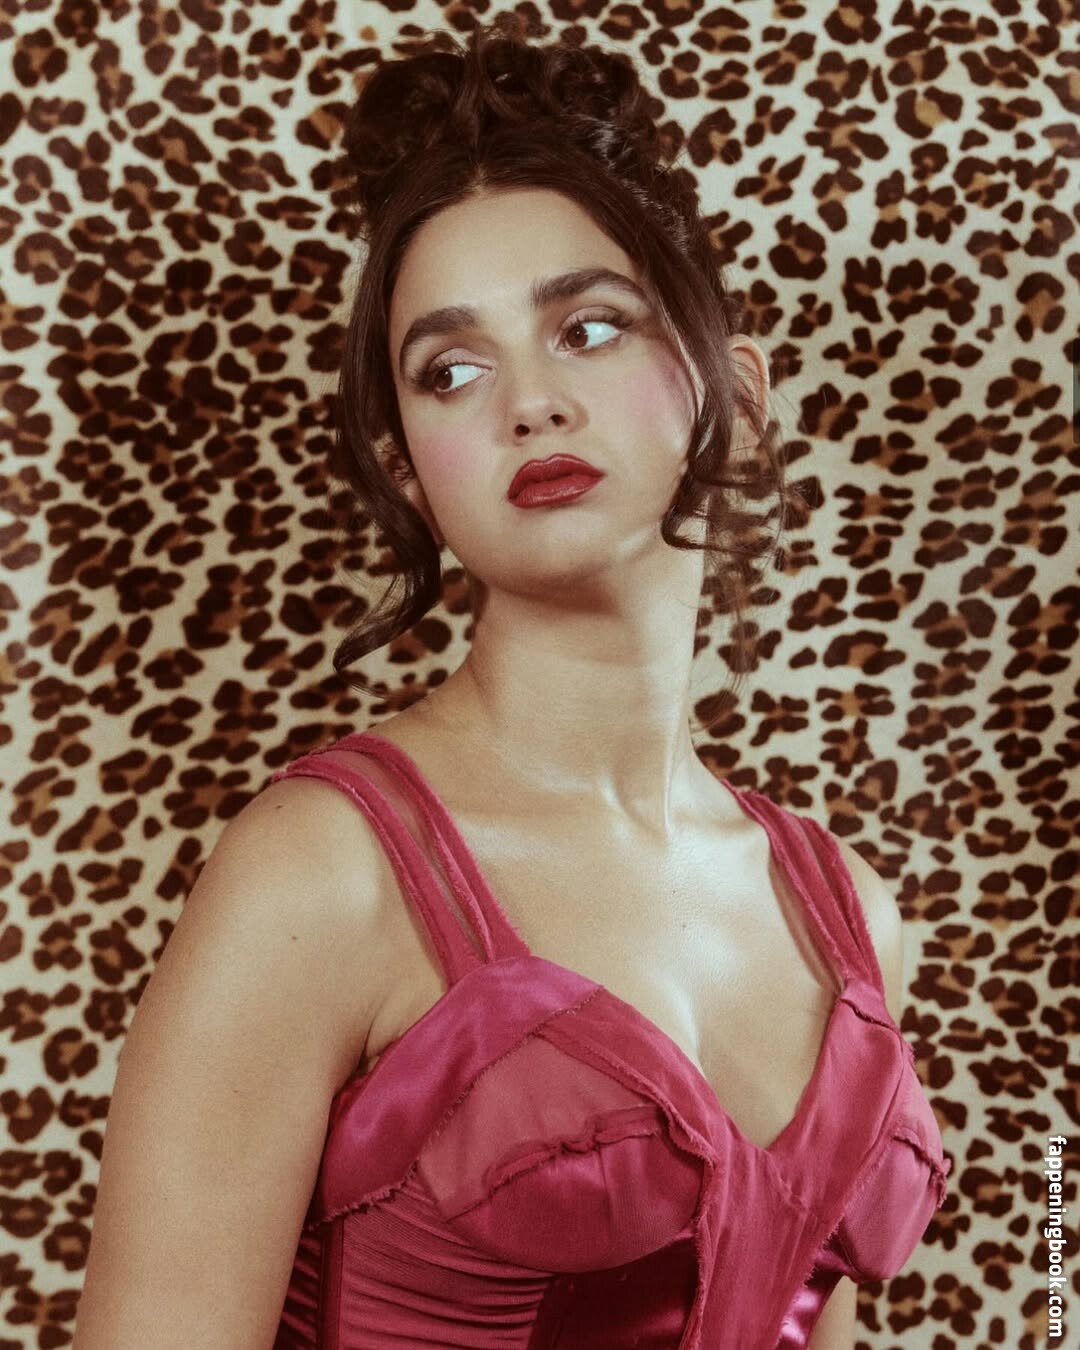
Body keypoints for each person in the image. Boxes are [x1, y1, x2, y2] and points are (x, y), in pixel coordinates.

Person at [73, 16, 950, 1349]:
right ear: (411, 473)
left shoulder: (849, 915)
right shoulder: (324, 871)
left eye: (589, 328)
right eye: (454, 370)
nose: (528, 403)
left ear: (736, 393)